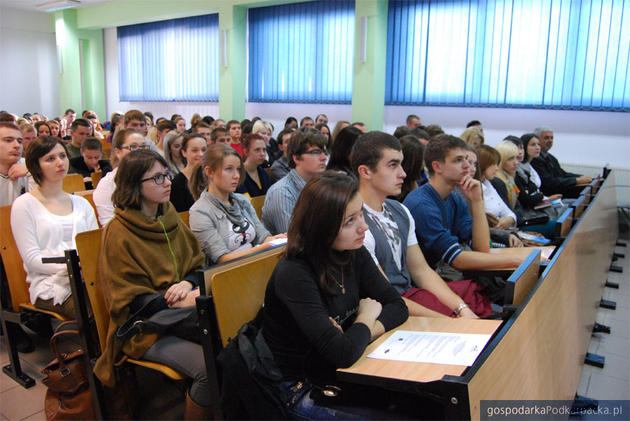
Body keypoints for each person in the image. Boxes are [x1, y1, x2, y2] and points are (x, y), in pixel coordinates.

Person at [262, 170, 408, 418]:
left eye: (360, 213)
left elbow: (398, 306)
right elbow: (341, 354)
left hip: (342, 370)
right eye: (349, 221)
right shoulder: (294, 273)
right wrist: (364, 316)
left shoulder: (353, 251)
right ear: (321, 227)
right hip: (300, 387)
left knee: (424, 404)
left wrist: (359, 333)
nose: (363, 227)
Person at [93, 150, 212, 419]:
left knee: (235, 342)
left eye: (167, 174)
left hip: (183, 314)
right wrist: (175, 299)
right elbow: (129, 302)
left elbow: (197, 265)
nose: (168, 182)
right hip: (143, 328)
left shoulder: (169, 217)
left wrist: (186, 283)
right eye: (157, 178)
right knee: (209, 368)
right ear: (134, 185)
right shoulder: (118, 232)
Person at [351, 132, 488, 318]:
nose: (403, 173)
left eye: (401, 164)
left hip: (409, 300)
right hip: (386, 310)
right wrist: (448, 321)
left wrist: (461, 308)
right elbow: (384, 294)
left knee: (476, 308)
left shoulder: (400, 210)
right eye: (393, 165)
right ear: (365, 171)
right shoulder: (355, 222)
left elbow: (421, 271)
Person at [403, 135, 524, 278]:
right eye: (458, 160)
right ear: (437, 166)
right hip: (431, 280)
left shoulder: (454, 198)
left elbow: (482, 247)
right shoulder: (421, 204)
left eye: (467, 159)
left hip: (448, 275)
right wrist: (513, 260)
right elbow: (457, 259)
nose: (467, 166)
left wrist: (477, 201)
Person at [11, 136, 98, 319]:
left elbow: (94, 249)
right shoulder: (24, 205)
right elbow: (33, 259)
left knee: (124, 304)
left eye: (62, 156)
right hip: (51, 285)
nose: (60, 162)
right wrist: (73, 268)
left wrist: (85, 268)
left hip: (88, 278)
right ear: (36, 165)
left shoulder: (82, 203)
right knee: (95, 314)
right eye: (50, 159)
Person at [189, 145, 284, 265]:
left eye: (238, 169)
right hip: (227, 276)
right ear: (209, 172)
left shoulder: (242, 200)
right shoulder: (199, 212)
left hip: (255, 265)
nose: (236, 175)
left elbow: (262, 236)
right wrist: (261, 248)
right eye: (229, 169)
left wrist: (277, 240)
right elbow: (221, 258)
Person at [262, 129, 328, 234]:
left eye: (324, 152)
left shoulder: (321, 185)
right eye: (316, 152)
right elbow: (294, 240)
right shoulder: (282, 192)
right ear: (296, 158)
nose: (324, 157)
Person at [93, 129, 148, 226]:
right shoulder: (107, 184)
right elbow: (109, 225)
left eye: (143, 146)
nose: (140, 151)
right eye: (133, 147)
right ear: (118, 152)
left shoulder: (154, 178)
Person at [476, 145, 523, 248]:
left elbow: (509, 212)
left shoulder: (489, 184)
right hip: (493, 239)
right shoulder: (472, 189)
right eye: (494, 164)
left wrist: (509, 219)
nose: (497, 168)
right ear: (483, 164)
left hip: (504, 234)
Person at [530, 127, 594, 198]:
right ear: (537, 140)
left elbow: (562, 174)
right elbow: (549, 183)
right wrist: (577, 180)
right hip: (550, 195)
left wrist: (582, 177)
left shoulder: (550, 157)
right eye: (546, 138)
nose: (550, 140)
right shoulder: (535, 159)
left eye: (552, 138)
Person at [169, 134, 207, 212]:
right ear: (184, 153)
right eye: (195, 150)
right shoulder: (178, 182)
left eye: (204, 150)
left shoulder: (212, 177)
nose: (201, 154)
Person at [0, 122, 33, 206]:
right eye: (8, 140)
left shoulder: (30, 165)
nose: (17, 145)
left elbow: (42, 206)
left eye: (20, 141)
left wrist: (32, 172)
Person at [236, 133, 271, 198]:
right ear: (246, 151)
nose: (262, 154)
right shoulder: (238, 174)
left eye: (264, 150)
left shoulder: (263, 172)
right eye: (257, 150)